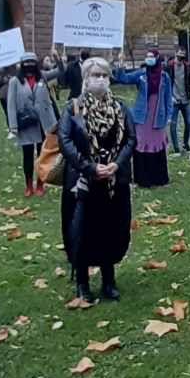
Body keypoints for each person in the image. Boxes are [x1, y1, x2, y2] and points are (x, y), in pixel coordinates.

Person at [55, 56, 136, 302]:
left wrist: (116, 164)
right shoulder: (74, 108)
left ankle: (109, 280)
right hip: (83, 181)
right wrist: (90, 167)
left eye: (104, 75)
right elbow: (65, 141)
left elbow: (131, 139)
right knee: (82, 230)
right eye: (95, 75)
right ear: (85, 78)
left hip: (113, 181)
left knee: (111, 229)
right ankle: (82, 282)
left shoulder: (120, 108)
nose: (100, 80)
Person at [114, 48, 175, 186]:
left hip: (158, 117)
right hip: (142, 117)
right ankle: (142, 179)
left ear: (157, 58)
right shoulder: (141, 74)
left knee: (157, 146)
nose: (149, 59)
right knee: (141, 145)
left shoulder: (164, 77)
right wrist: (120, 64)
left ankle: (159, 179)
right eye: (147, 56)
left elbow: (168, 98)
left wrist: (169, 117)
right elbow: (122, 79)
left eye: (151, 56)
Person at [7, 53, 59, 197]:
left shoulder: (43, 76)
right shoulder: (15, 81)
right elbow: (11, 105)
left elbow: (60, 71)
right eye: (26, 63)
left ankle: (41, 184)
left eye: (32, 62)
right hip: (26, 123)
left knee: (42, 154)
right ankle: (29, 185)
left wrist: (57, 58)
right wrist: (13, 126)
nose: (29, 66)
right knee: (28, 155)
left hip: (44, 122)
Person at [169, 52, 190, 154]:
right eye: (178, 58)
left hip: (186, 100)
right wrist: (170, 96)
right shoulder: (169, 66)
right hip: (174, 100)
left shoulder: (187, 66)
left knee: (188, 123)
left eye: (182, 58)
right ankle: (176, 148)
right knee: (173, 125)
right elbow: (166, 82)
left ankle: (185, 143)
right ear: (175, 55)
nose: (180, 61)